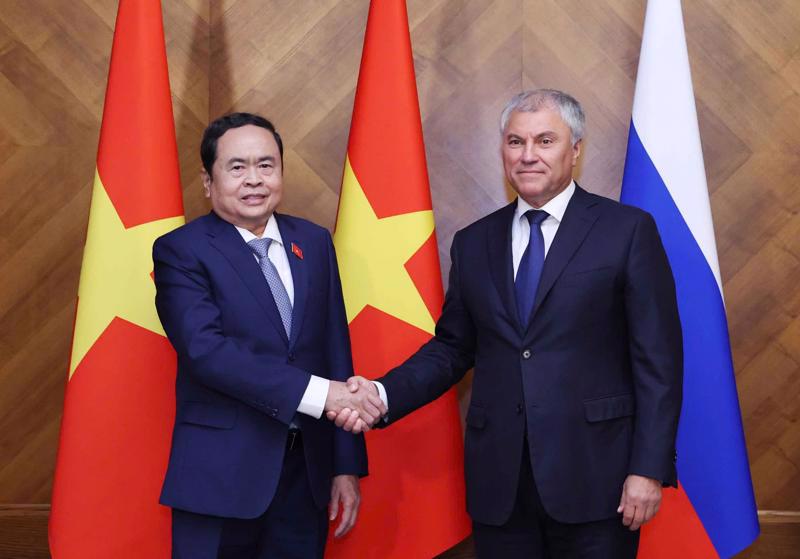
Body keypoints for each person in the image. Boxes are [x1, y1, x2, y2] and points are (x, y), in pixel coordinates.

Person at [331, 89, 683, 558]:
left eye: (545, 141)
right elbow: (453, 349)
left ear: (575, 150)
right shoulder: (474, 242)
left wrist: (648, 468)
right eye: (516, 142)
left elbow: (659, 361)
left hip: (600, 480)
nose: (528, 155)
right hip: (501, 486)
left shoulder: (627, 231)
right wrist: (381, 394)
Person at [153, 113, 385, 559]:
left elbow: (335, 348)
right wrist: (324, 395)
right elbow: (208, 353)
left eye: (266, 165)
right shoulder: (181, 250)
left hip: (306, 475)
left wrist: (344, 464)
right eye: (237, 167)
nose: (254, 180)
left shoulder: (314, 242)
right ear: (208, 180)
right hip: (220, 478)